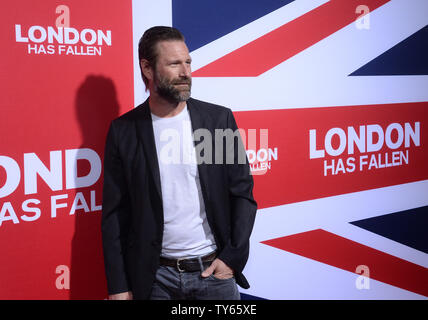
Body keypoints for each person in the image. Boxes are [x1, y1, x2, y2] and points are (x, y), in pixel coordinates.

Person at [101, 26, 257, 300]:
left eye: (188, 62)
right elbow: (115, 216)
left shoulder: (216, 122)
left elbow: (242, 194)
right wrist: (118, 286)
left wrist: (232, 258)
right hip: (155, 281)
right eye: (174, 63)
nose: (186, 72)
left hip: (213, 274)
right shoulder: (124, 131)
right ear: (147, 69)